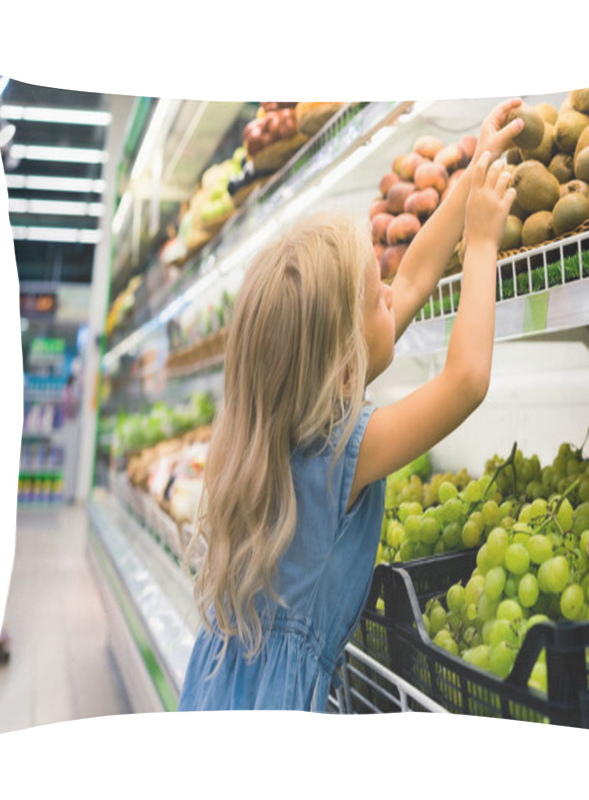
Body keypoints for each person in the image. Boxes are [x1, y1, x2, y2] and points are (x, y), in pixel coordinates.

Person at [177, 100, 524, 712]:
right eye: (377, 298)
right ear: (344, 371)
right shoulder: (343, 452)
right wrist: (483, 244)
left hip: (218, 685)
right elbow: (466, 379)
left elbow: (413, 278)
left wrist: (475, 173)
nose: (394, 294)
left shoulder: (276, 431)